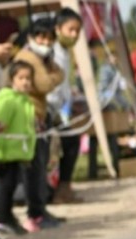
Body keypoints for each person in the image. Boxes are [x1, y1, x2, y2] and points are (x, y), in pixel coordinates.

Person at [14, 18, 64, 232]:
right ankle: (34, 213)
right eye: (41, 37)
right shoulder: (27, 57)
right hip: (28, 119)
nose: (45, 41)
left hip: (40, 118)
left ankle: (40, 210)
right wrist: (51, 76)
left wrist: (51, 74)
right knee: (33, 169)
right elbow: (44, 84)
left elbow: (60, 74)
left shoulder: (43, 58)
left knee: (41, 165)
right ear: (31, 37)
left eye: (49, 38)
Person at [0, 61, 37, 235]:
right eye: (21, 78)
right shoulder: (7, 99)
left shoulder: (25, 100)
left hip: (16, 151)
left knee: (11, 184)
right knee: (4, 185)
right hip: (4, 151)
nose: (25, 82)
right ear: (12, 79)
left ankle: (6, 215)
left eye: (29, 78)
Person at [46, 7, 84, 204]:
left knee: (71, 141)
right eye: (71, 29)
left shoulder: (66, 53)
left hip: (58, 111)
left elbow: (64, 85)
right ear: (58, 28)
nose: (74, 34)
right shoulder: (49, 50)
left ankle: (64, 187)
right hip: (46, 109)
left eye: (77, 30)